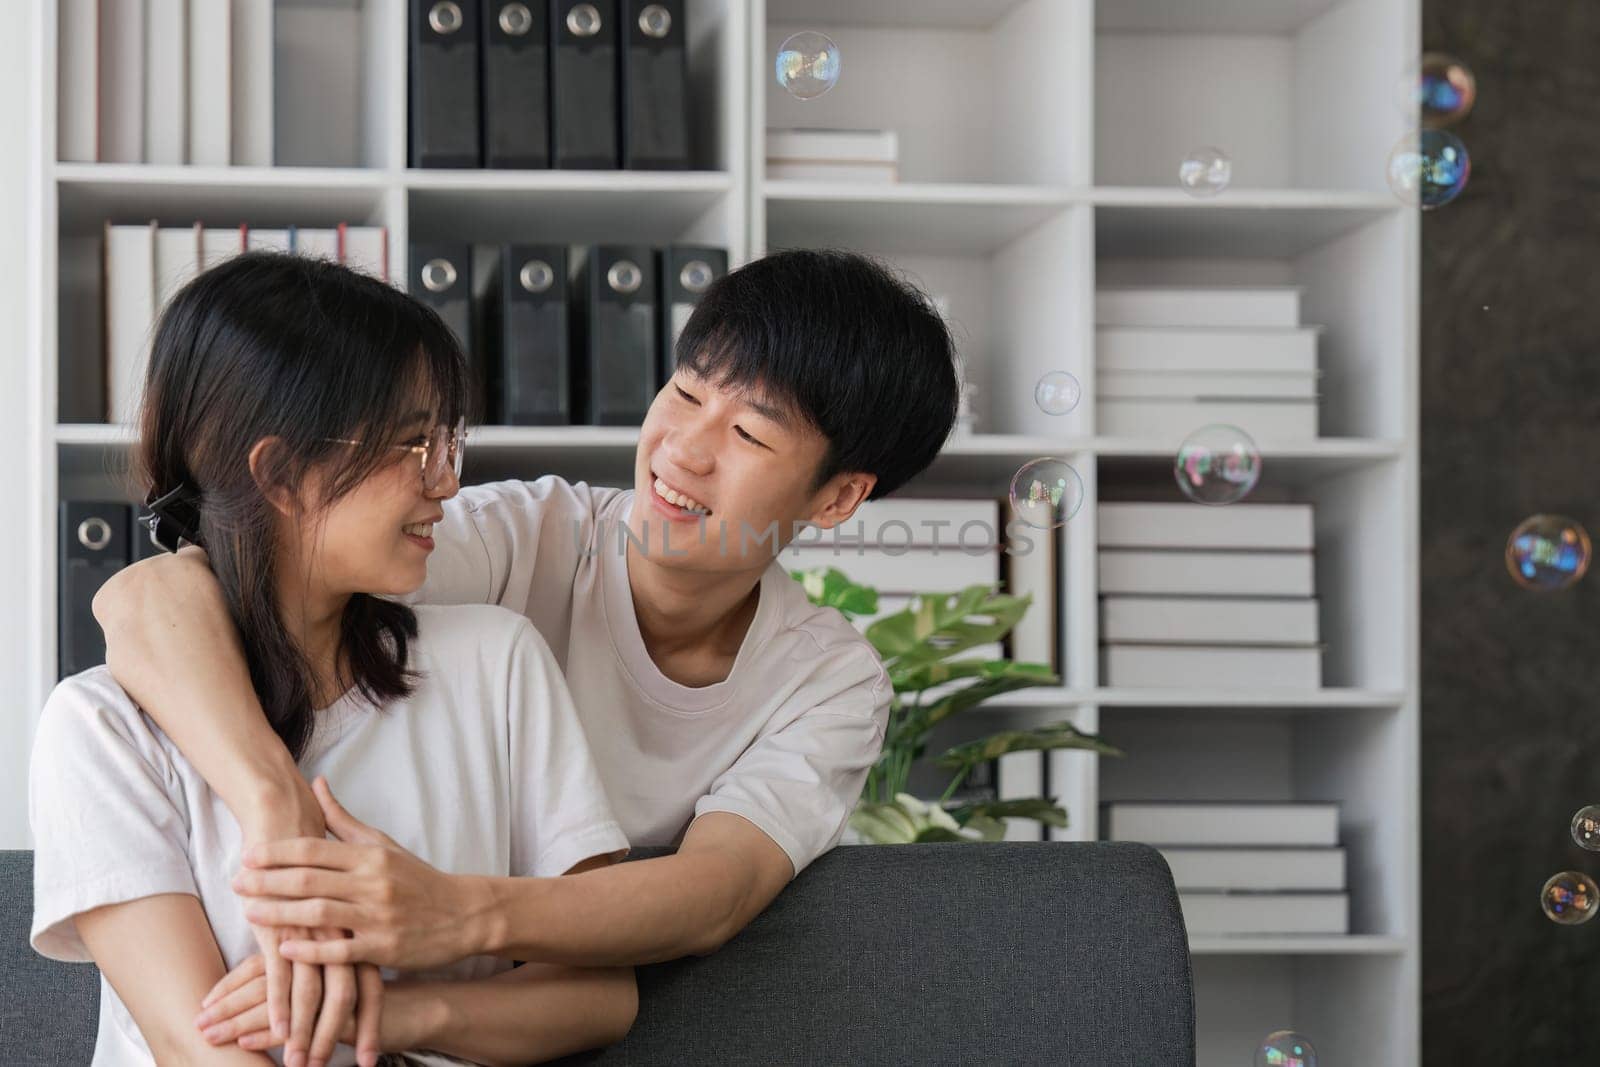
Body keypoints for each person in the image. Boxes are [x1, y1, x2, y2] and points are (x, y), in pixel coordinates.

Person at [91, 248, 962, 1060]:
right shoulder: (523, 539)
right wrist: (275, 806)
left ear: (840, 496)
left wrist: (452, 915)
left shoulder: (827, 677)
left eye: (752, 435)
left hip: (535, 1007)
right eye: (688, 394)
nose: (684, 450)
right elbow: (154, 596)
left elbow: (716, 891)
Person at [31, 253, 636, 1067]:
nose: (448, 482)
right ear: (281, 473)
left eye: (447, 441)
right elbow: (193, 1046)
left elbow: (600, 995)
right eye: (413, 445)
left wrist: (393, 1011)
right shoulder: (100, 727)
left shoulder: (499, 664)